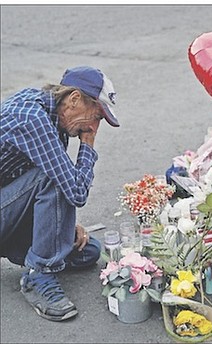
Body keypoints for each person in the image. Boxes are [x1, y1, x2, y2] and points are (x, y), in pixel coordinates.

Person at [0, 66, 118, 321]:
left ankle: (39, 253)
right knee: (51, 179)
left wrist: (62, 224)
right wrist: (88, 144)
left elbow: (60, 186)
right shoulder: (33, 119)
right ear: (74, 98)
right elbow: (74, 191)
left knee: (89, 251)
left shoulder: (54, 117)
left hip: (7, 207)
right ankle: (38, 274)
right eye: (95, 116)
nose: (94, 127)